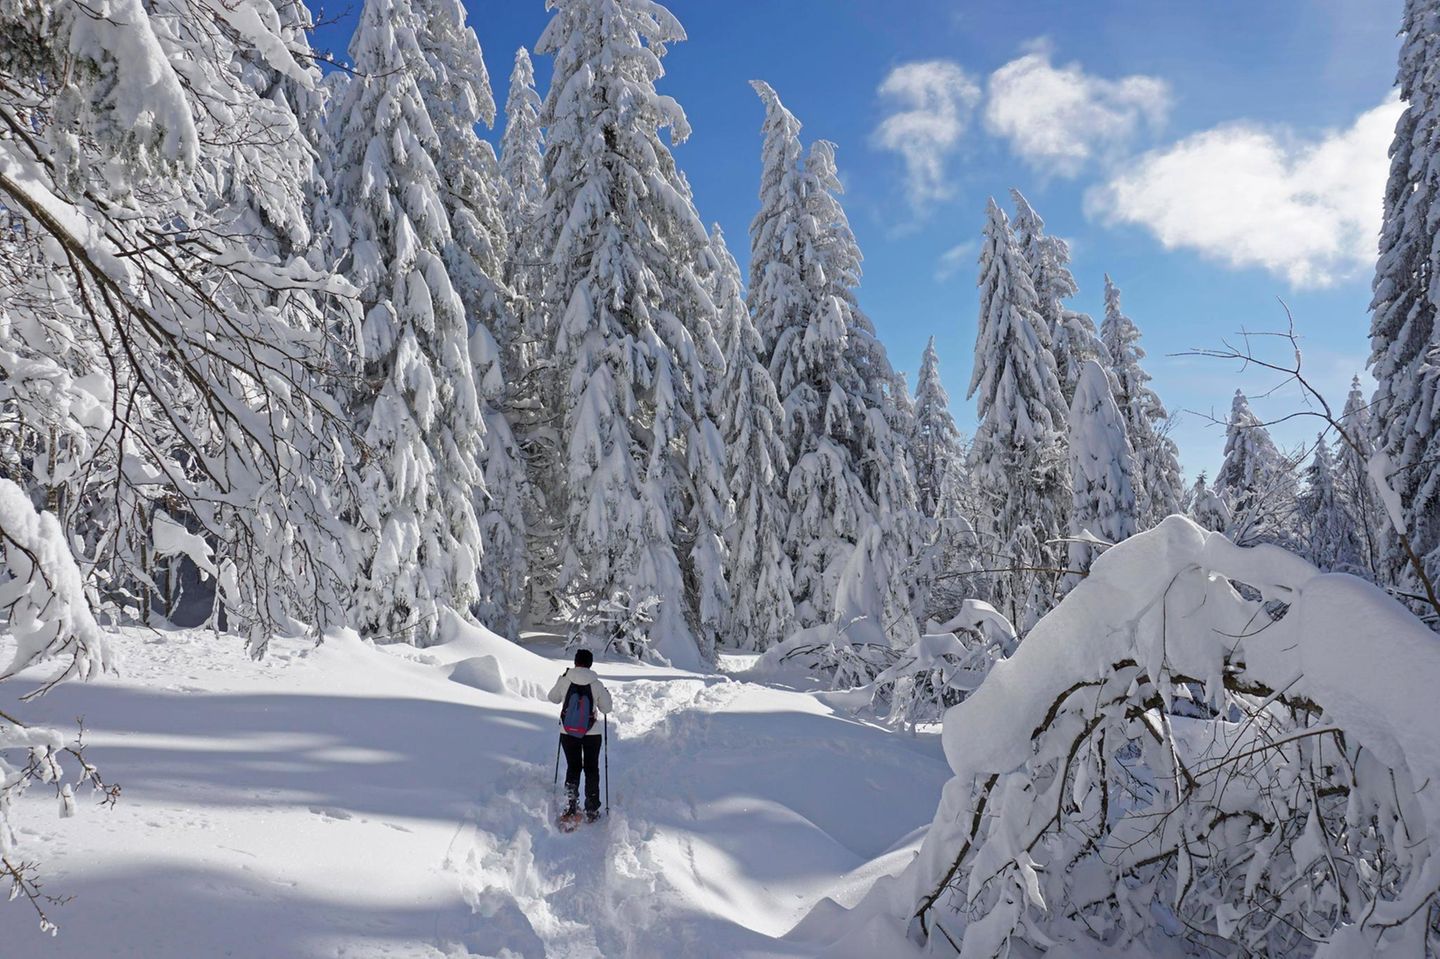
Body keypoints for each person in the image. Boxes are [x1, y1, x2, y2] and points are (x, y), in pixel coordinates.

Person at [548, 649, 612, 820]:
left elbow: (552, 698)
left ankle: (570, 805)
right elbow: (607, 709)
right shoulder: (597, 684)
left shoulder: (565, 680)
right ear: (590, 664)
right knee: (591, 769)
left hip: (568, 732)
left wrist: (561, 680)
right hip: (592, 734)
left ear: (575, 662)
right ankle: (591, 808)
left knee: (573, 766)